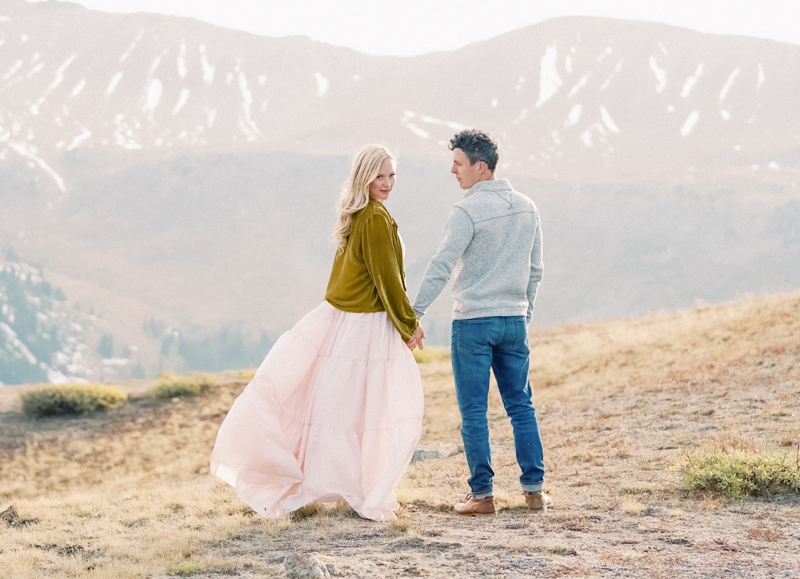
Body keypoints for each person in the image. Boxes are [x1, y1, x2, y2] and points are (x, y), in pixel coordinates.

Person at [209, 144, 425, 522]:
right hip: (366, 325)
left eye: (392, 175)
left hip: (348, 321)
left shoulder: (360, 213)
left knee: (344, 411)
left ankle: (345, 482)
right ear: (364, 177)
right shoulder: (374, 218)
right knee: (370, 409)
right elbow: (387, 279)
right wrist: (409, 324)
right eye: (380, 175)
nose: (388, 183)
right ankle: (354, 485)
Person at [409, 129, 549, 515]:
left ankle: (482, 495)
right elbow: (536, 270)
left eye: (458, 164)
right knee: (521, 405)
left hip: (472, 322)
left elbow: (441, 266)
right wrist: (524, 313)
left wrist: (413, 313)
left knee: (474, 411)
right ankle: (534, 491)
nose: (453, 172)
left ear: (480, 166)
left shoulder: (466, 211)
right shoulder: (527, 206)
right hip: (514, 319)